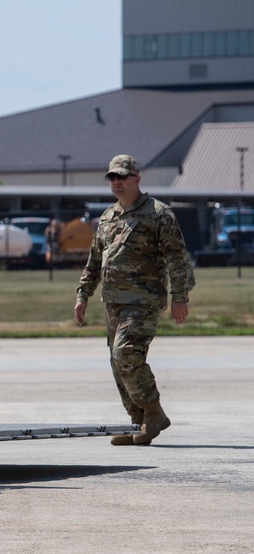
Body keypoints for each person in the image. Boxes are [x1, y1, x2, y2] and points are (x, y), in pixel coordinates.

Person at [74, 155, 195, 446]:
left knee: (125, 354)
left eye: (122, 176)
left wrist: (180, 297)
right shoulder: (107, 217)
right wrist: (83, 295)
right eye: (112, 177)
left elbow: (177, 257)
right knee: (118, 365)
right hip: (113, 301)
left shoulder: (159, 213)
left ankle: (154, 412)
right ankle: (138, 421)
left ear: (137, 179)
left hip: (144, 300)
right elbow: (94, 262)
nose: (116, 182)